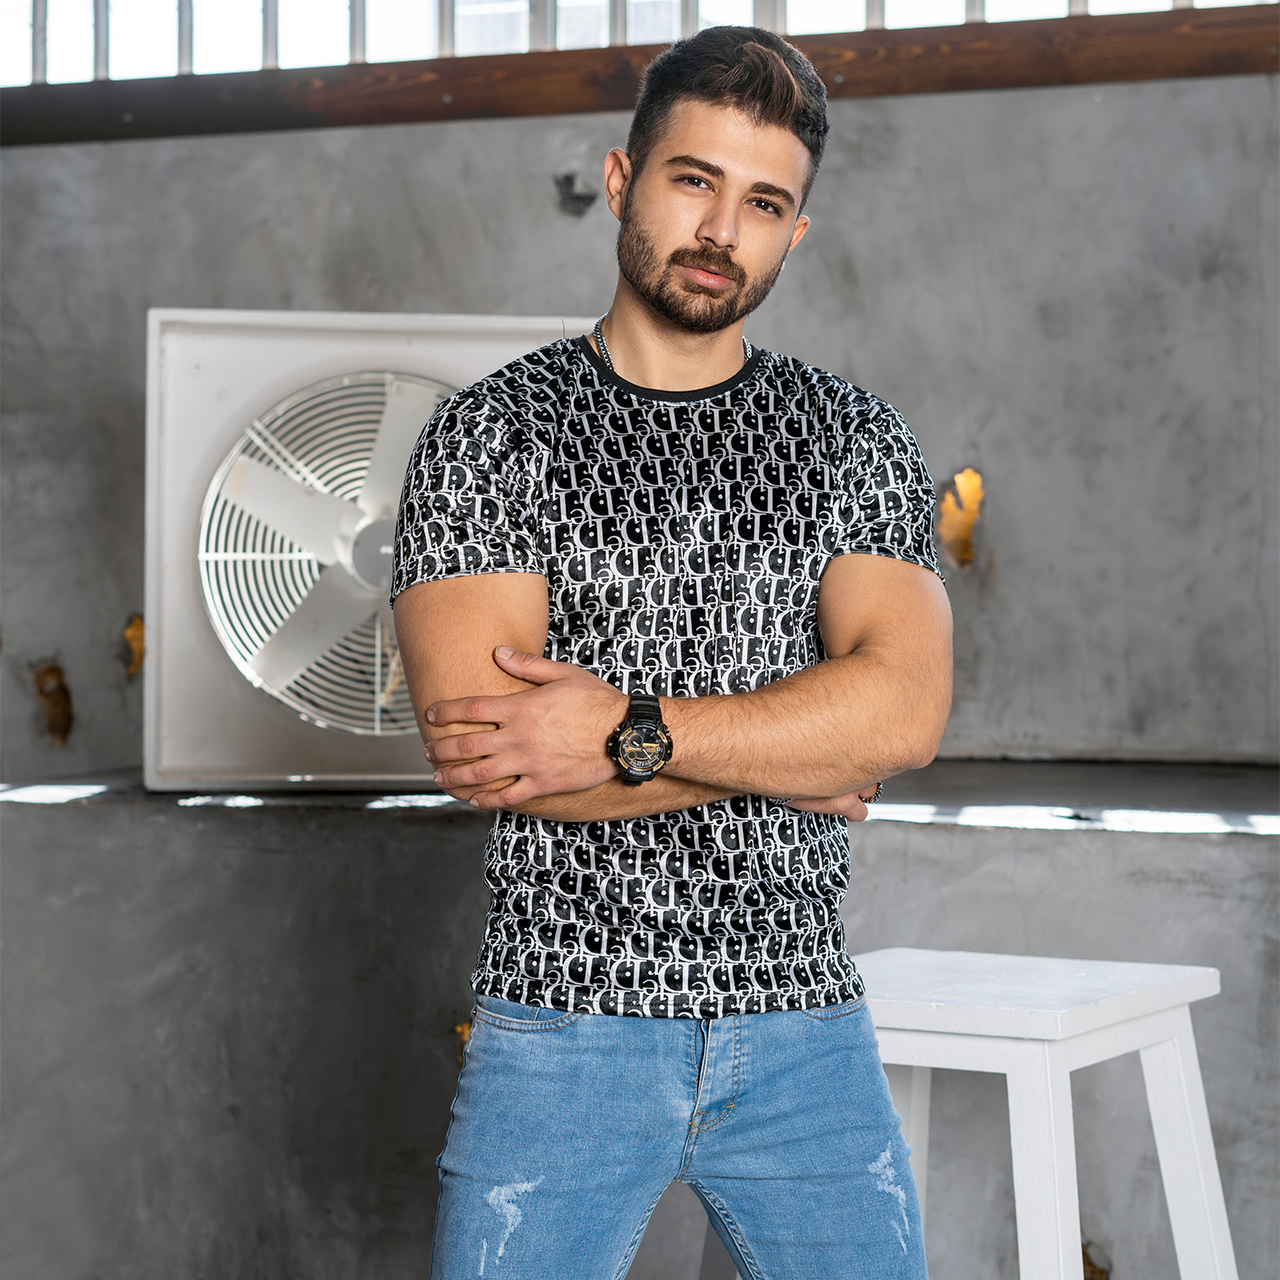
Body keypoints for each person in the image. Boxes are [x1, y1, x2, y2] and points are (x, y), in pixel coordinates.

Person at [391, 25, 951, 1280]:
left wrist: (628, 730)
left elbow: (903, 712)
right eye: (693, 180)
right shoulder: (494, 436)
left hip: (801, 1022)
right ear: (620, 179)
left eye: (763, 203)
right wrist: (796, 750)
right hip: (561, 1021)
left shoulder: (852, 439)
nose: (720, 229)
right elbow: (494, 752)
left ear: (794, 233)